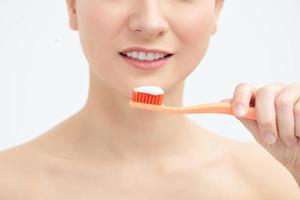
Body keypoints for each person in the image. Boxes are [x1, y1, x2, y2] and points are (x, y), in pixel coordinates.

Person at [1, 0, 300, 199]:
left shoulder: (280, 180)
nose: (150, 22)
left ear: (217, 9)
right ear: (73, 6)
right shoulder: (7, 183)